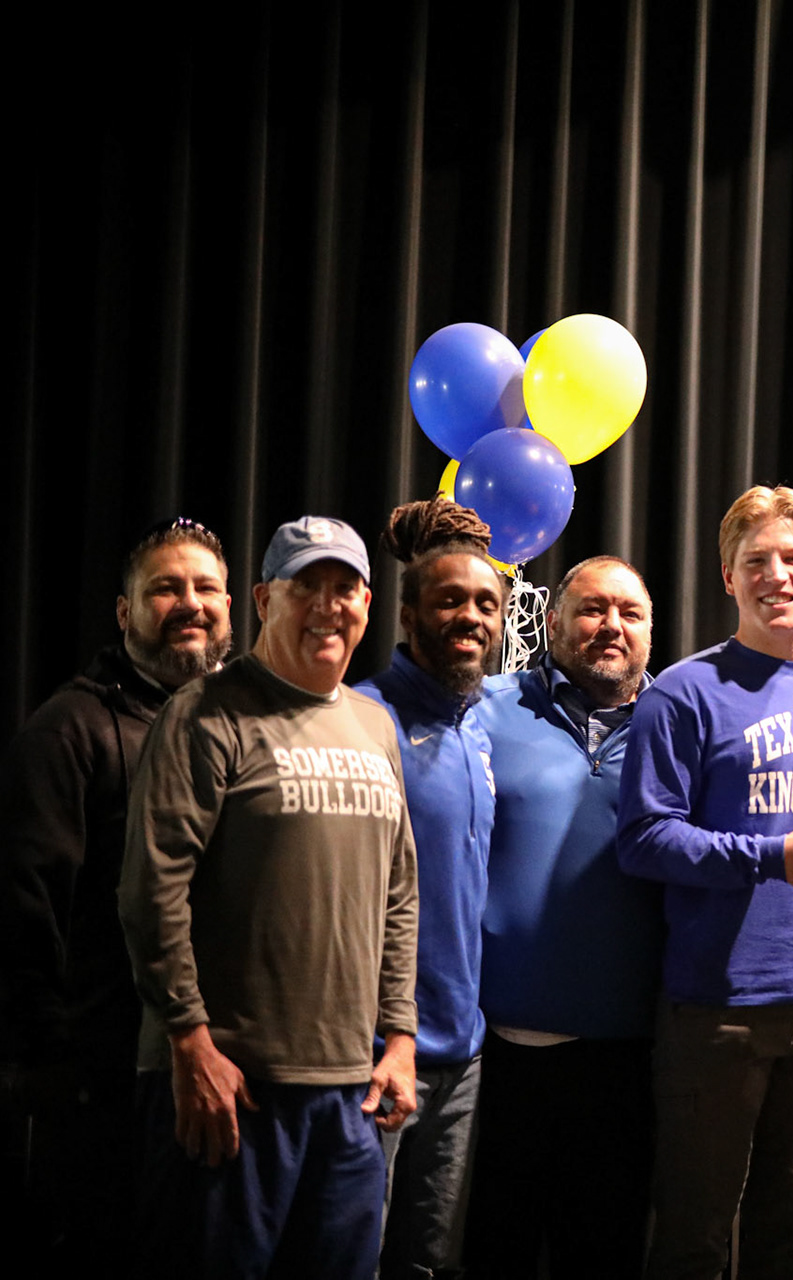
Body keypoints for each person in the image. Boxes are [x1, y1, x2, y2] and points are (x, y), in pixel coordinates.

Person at [118, 515, 419, 1279]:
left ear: (367, 602)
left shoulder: (375, 726)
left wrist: (399, 1037)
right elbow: (153, 889)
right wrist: (189, 1041)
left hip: (349, 1091)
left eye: (344, 588)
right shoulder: (205, 713)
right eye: (304, 586)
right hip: (233, 1088)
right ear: (262, 600)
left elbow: (398, 894)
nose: (327, 606)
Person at [620, 485, 793, 1278]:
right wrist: (772, 858)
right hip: (715, 1008)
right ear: (727, 577)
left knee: (792, 1238)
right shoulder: (682, 693)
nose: (776, 576)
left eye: (792, 558)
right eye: (754, 561)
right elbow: (645, 839)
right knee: (693, 1238)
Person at [0, 516, 232, 1272]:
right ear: (125, 611)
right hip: (100, 1089)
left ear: (233, 606)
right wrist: (50, 1064)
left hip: (215, 1075)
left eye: (206, 588)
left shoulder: (244, 725)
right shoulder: (69, 730)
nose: (190, 603)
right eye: (167, 588)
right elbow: (26, 907)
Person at [465, 555, 664, 1278]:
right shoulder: (485, 707)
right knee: (495, 1254)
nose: (611, 625)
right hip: (498, 1056)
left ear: (649, 632)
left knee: (605, 1258)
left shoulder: (679, 723)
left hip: (628, 1059)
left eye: (629, 613)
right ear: (551, 623)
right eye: (591, 609)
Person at [354, 499, 505, 1278]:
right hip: (374, 1055)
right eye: (449, 600)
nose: (470, 616)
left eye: (485, 603)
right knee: (354, 1256)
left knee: (426, 1265)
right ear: (408, 615)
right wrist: (385, 1039)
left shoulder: (481, 728)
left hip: (463, 1055)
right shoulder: (363, 719)